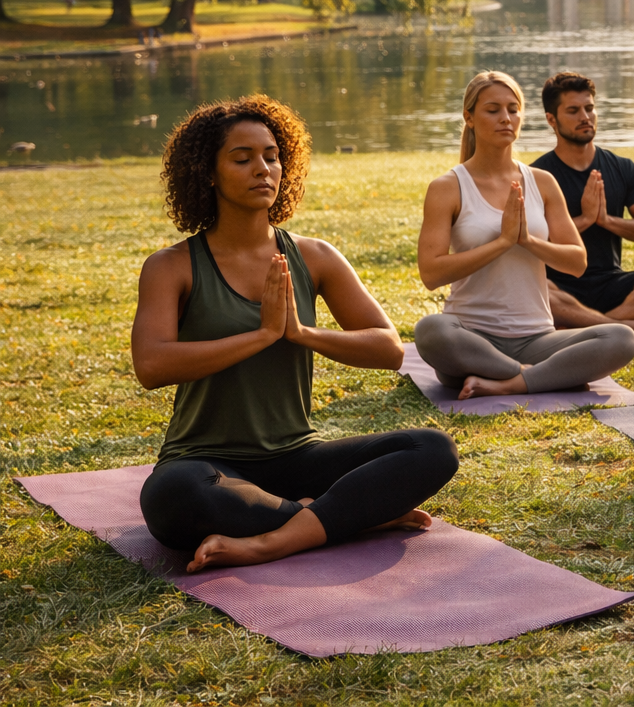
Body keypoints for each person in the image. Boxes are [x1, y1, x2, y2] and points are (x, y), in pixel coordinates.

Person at [132, 96, 459, 573]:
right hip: (209, 462)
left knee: (432, 448)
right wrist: (261, 335)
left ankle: (273, 540)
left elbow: (387, 348)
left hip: (297, 455)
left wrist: (302, 333)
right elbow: (152, 365)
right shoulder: (172, 266)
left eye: (271, 156)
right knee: (173, 499)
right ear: (208, 172)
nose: (262, 168)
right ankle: (344, 519)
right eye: (242, 159)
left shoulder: (315, 256)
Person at [414, 71, 634, 399]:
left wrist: (528, 241)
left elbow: (577, 262)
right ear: (469, 117)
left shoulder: (542, 182)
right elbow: (431, 273)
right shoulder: (447, 188)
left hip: (537, 339)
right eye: (493, 110)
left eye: (513, 109)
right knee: (431, 331)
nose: (506, 118)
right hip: (470, 339)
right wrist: (502, 242)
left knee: (621, 339)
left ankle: (509, 382)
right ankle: (535, 377)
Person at [532, 72, 634, 337]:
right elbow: (528, 242)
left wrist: (606, 220)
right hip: (558, 287)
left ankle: (591, 327)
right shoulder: (537, 176)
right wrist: (585, 219)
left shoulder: (622, 168)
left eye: (590, 108)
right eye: (573, 110)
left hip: (610, 283)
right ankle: (628, 326)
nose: (585, 117)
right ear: (551, 119)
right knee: (530, 288)